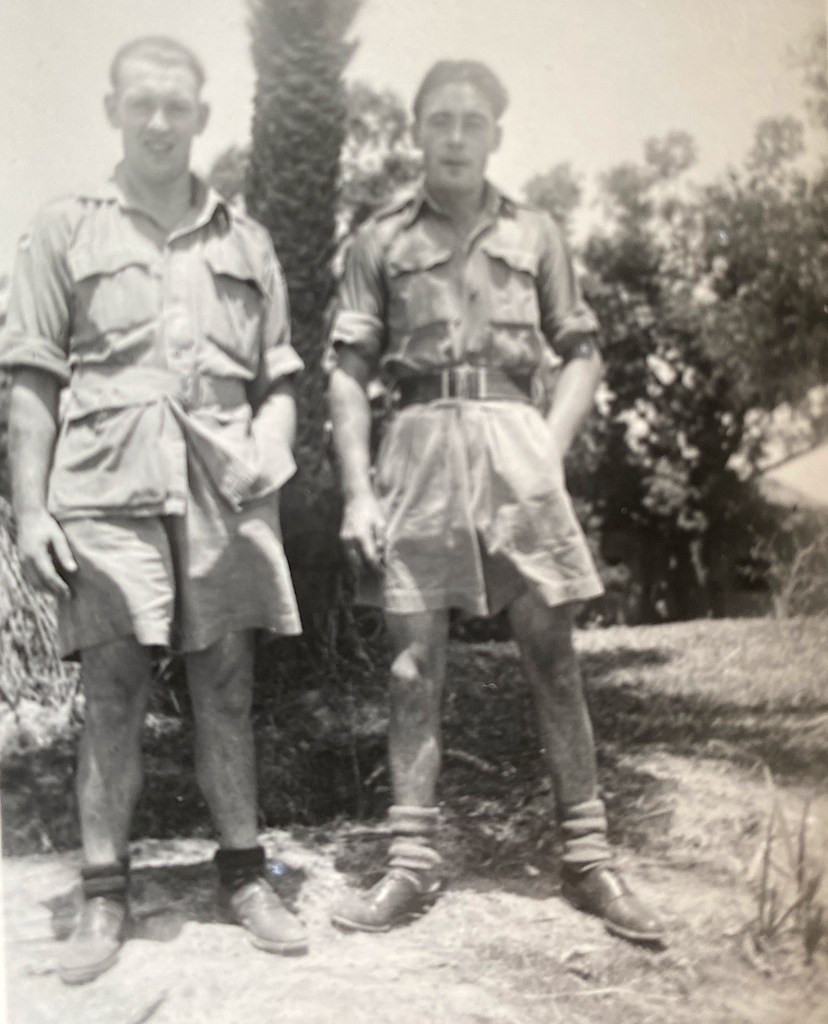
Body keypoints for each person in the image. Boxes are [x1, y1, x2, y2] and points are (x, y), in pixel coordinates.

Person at [327, 60, 664, 945]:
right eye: (438, 120)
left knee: (552, 653)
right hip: (417, 441)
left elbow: (581, 352)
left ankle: (588, 860)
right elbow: (349, 373)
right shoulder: (378, 240)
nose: (454, 137)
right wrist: (358, 492)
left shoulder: (537, 231)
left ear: (495, 135)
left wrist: (546, 450)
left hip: (517, 438)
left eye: (471, 122)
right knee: (413, 667)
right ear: (416, 131)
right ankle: (409, 863)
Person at [0, 36, 308, 984]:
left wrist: (275, 446)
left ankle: (246, 877)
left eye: (178, 106)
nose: (161, 122)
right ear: (114, 112)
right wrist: (30, 511)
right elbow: (32, 379)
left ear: (201, 117)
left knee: (227, 686)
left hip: (222, 485)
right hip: (105, 483)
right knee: (112, 690)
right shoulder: (64, 230)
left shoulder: (248, 242)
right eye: (143, 104)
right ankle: (103, 894)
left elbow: (279, 379)